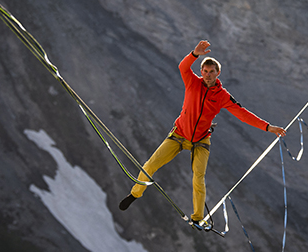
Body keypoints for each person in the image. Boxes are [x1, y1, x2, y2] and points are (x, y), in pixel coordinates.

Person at [119, 39, 285, 229]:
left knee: (198, 178)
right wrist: (195, 54)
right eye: (204, 71)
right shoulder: (192, 82)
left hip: (200, 140)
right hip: (179, 134)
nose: (207, 75)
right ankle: (135, 194)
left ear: (218, 73)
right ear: (201, 72)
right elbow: (183, 66)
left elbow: (242, 113)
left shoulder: (222, 95)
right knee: (150, 164)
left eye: (211, 72)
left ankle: (197, 217)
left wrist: (267, 127)